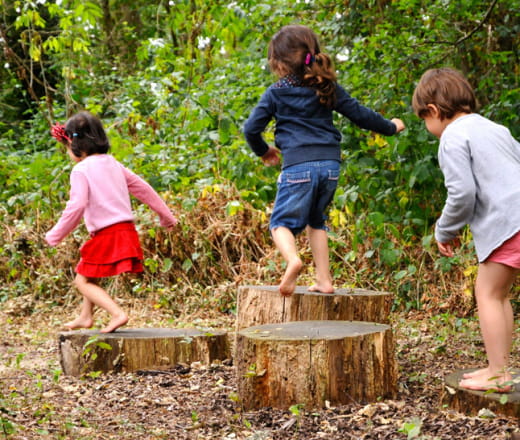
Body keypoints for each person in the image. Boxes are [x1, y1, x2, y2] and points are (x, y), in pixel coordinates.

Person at [243, 24, 405, 297]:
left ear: (279, 64)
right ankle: (324, 280)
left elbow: (250, 129)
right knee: (316, 221)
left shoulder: (276, 92)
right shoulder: (325, 87)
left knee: (279, 223)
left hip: (298, 167)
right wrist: (390, 126)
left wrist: (264, 151)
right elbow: (359, 113)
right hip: (330, 166)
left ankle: (293, 259)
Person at [412, 67, 520, 392]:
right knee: (499, 294)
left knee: (488, 294)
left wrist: (444, 230)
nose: (428, 128)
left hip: (507, 224)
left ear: (433, 111)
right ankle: (500, 368)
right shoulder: (495, 128)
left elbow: (462, 193)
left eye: (424, 120)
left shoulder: (453, 137)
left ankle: (498, 373)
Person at [46, 111, 178, 333]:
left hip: (107, 233)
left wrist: (55, 234)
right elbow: (143, 189)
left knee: (82, 281)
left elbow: (76, 206)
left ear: (76, 145)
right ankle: (85, 316)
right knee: (90, 272)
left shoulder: (81, 170)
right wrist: (167, 216)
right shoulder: (113, 163)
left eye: (67, 147)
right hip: (125, 230)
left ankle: (117, 313)